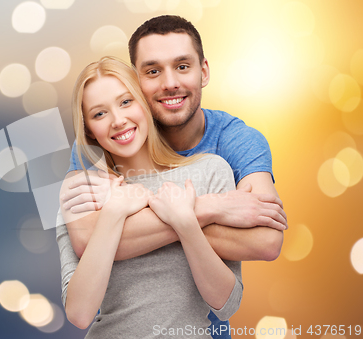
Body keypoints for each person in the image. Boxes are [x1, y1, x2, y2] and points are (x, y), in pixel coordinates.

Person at [59, 15, 287, 338]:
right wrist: (208, 209)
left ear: (203, 71)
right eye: (153, 71)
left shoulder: (227, 151)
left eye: (182, 66)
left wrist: (172, 218)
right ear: (136, 80)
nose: (169, 83)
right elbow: (82, 240)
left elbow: (266, 240)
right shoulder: (90, 155)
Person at [57, 56, 242, 338]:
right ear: (88, 131)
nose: (118, 121)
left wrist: (186, 222)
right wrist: (114, 211)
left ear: (144, 103)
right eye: (99, 114)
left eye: (126, 102)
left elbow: (226, 305)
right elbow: (80, 314)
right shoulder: (81, 193)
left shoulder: (210, 171)